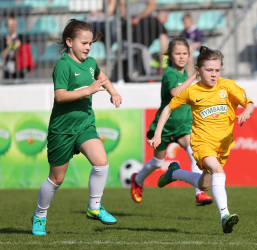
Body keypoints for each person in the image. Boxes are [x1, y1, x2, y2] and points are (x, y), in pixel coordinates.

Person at [148, 46, 254, 233]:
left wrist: (246, 111)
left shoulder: (228, 86)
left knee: (204, 184)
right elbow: (168, 108)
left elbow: (250, 103)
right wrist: (157, 133)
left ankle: (174, 173)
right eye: (209, 70)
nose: (214, 74)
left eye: (217, 70)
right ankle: (225, 216)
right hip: (201, 143)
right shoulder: (192, 91)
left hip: (223, 145)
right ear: (198, 70)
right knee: (218, 170)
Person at [31, 19, 122, 236]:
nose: (88, 47)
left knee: (101, 163)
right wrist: (88, 90)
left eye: (90, 43)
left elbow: (102, 77)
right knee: (57, 179)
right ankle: (40, 216)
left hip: (84, 125)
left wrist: (113, 92)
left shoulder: (91, 63)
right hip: (62, 130)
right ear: (69, 41)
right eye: (84, 43)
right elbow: (60, 96)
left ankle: (94, 207)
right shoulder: (63, 65)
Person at [131, 38, 213, 206]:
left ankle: (200, 194)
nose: (181, 57)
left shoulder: (184, 72)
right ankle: (137, 180)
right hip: (166, 126)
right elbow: (175, 92)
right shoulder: (169, 73)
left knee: (194, 153)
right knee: (157, 162)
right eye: (177, 53)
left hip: (182, 125)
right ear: (170, 55)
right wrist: (193, 77)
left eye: (184, 53)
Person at [120, 0, 168, 75]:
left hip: (127, 47)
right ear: (165, 18)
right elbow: (163, 46)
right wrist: (162, 67)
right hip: (140, 50)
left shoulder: (133, 21)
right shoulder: (157, 24)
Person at [1, 15, 34, 79]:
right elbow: (4, 56)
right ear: (7, 25)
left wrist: (18, 45)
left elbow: (27, 49)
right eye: (10, 25)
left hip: (20, 69)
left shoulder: (22, 37)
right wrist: (9, 46)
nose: (12, 27)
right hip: (8, 71)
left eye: (13, 24)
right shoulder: (4, 39)